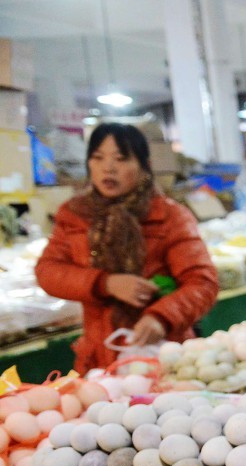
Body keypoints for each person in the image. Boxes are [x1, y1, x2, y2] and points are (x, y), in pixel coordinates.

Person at [35, 123, 218, 373]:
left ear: (144, 166)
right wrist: (105, 283)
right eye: (98, 158)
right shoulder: (76, 215)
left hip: (164, 353)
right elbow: (48, 271)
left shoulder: (170, 216)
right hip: (98, 356)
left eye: (120, 159)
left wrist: (162, 317)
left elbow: (203, 283)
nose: (108, 168)